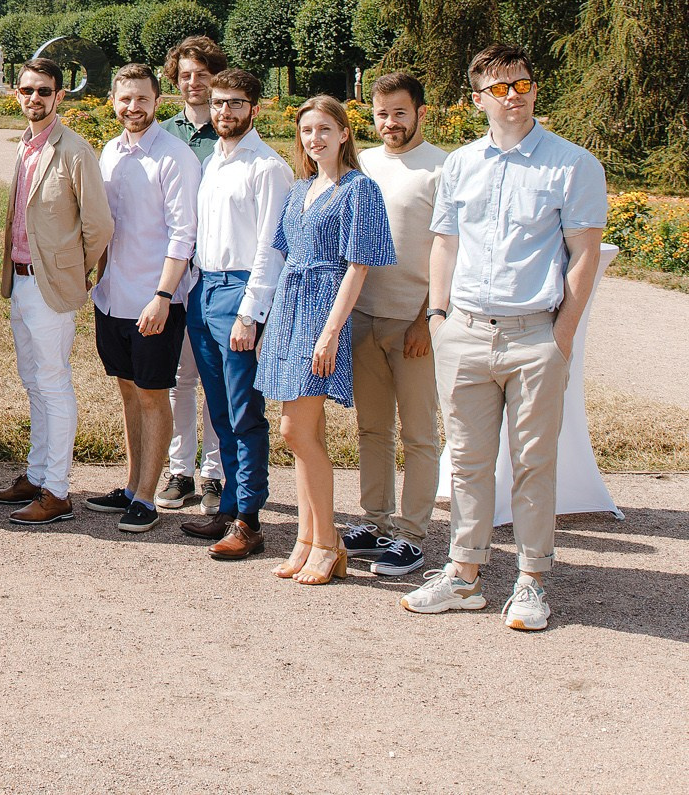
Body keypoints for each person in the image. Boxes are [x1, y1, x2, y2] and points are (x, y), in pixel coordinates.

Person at [402, 43, 605, 632]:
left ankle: (531, 581)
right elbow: (444, 243)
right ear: (477, 100)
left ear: (534, 90)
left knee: (534, 464)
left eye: (521, 84)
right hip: (463, 333)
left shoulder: (572, 164)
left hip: (533, 336)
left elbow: (583, 256)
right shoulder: (461, 165)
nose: (511, 96)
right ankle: (464, 576)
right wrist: (438, 319)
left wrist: (560, 338)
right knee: (466, 462)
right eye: (498, 89)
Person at [256, 95, 395, 586]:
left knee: (298, 432)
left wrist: (331, 332)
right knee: (294, 435)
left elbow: (359, 265)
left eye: (324, 129)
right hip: (288, 312)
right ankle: (305, 540)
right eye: (307, 130)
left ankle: (329, 542)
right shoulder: (298, 190)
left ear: (343, 133)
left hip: (323, 312)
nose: (314, 139)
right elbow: (280, 256)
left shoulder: (361, 190)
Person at [0, 58, 113, 526]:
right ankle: (37, 475)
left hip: (50, 285)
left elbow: (99, 226)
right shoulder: (24, 146)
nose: (33, 98)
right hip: (18, 280)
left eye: (43, 91)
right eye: (27, 90)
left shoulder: (74, 150)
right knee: (33, 380)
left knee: (54, 383)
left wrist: (74, 273)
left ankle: (57, 491)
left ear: (59, 96)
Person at [84, 63, 200, 534]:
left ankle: (148, 498)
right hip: (111, 298)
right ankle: (132, 485)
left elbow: (183, 236)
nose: (133, 107)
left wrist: (162, 295)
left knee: (154, 395)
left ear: (158, 101)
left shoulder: (175, 158)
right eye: (125, 99)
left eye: (142, 99)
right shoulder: (110, 152)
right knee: (128, 391)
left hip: (156, 301)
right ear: (114, 101)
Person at [183, 67, 290, 561]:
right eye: (220, 103)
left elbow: (272, 247)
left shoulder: (267, 168)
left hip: (241, 291)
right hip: (204, 289)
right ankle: (227, 506)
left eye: (236, 104)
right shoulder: (214, 162)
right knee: (219, 408)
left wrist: (251, 313)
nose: (225, 111)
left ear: (255, 108)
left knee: (245, 410)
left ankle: (249, 518)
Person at [346, 72, 447, 577]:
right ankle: (375, 520)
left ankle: (411, 534)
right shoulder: (363, 164)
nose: (389, 123)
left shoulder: (441, 170)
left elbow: (453, 252)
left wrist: (428, 318)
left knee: (420, 434)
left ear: (421, 112)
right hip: (364, 315)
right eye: (382, 114)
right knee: (373, 427)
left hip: (414, 322)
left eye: (400, 113)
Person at [158, 34, 229, 513]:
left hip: (216, 267)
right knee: (179, 378)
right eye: (185, 75)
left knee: (215, 378)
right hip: (172, 270)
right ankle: (180, 468)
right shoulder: (165, 132)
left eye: (201, 74)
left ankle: (215, 472)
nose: (193, 82)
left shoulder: (229, 131)